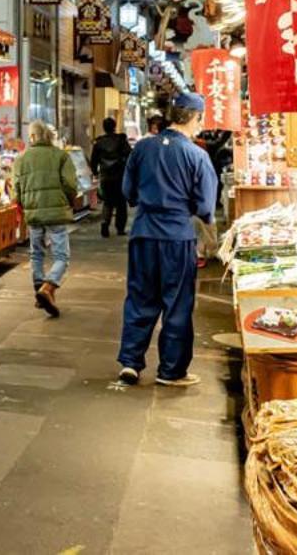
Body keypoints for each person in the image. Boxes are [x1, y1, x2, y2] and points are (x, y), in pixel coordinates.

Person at [117, 92, 218, 387]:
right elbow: (205, 207)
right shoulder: (197, 155)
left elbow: (128, 191)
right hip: (177, 236)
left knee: (139, 298)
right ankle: (171, 370)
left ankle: (130, 363)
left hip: (143, 232)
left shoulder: (142, 148)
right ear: (196, 117)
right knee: (176, 303)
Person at [13, 120, 79, 318]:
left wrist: (23, 205)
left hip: (33, 212)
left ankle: (40, 291)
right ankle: (48, 287)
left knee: (36, 254)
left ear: (32, 137)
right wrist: (67, 200)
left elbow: (16, 189)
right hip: (56, 212)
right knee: (61, 256)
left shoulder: (21, 159)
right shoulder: (60, 156)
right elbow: (70, 185)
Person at [88, 117, 132, 237]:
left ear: (104, 127)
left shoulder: (99, 143)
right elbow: (130, 156)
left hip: (106, 177)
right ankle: (120, 228)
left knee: (107, 202)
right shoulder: (121, 140)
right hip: (120, 176)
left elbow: (93, 161)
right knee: (121, 203)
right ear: (114, 126)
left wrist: (96, 173)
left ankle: (104, 224)